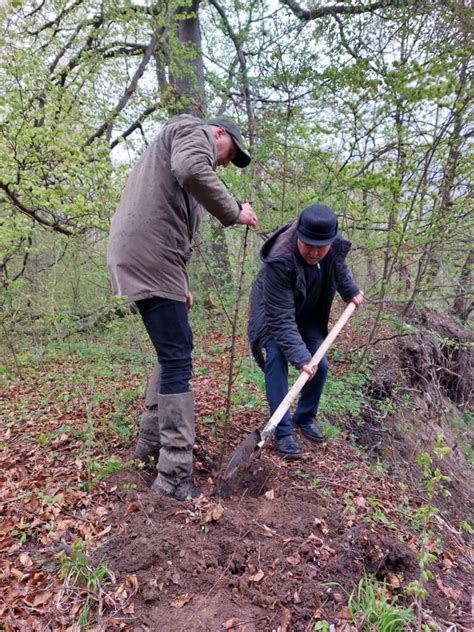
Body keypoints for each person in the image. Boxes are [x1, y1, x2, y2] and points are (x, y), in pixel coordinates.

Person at [107, 114, 258, 500]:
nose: (226, 162)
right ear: (219, 133)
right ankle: (173, 474)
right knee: (177, 358)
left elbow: (174, 221)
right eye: (230, 153)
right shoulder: (192, 131)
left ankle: (150, 441)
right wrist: (234, 211)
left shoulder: (176, 152)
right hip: (151, 255)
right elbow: (192, 169)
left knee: (172, 348)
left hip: (150, 257)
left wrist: (182, 285)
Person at [248, 204, 363, 458]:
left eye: (320, 247)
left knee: (319, 366)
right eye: (307, 245)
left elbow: (338, 265)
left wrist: (350, 291)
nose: (313, 252)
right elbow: (280, 319)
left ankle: (305, 416)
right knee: (277, 358)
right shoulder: (279, 260)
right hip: (272, 314)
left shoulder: (330, 245)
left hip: (308, 309)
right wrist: (300, 358)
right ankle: (282, 431)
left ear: (330, 241)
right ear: (298, 234)